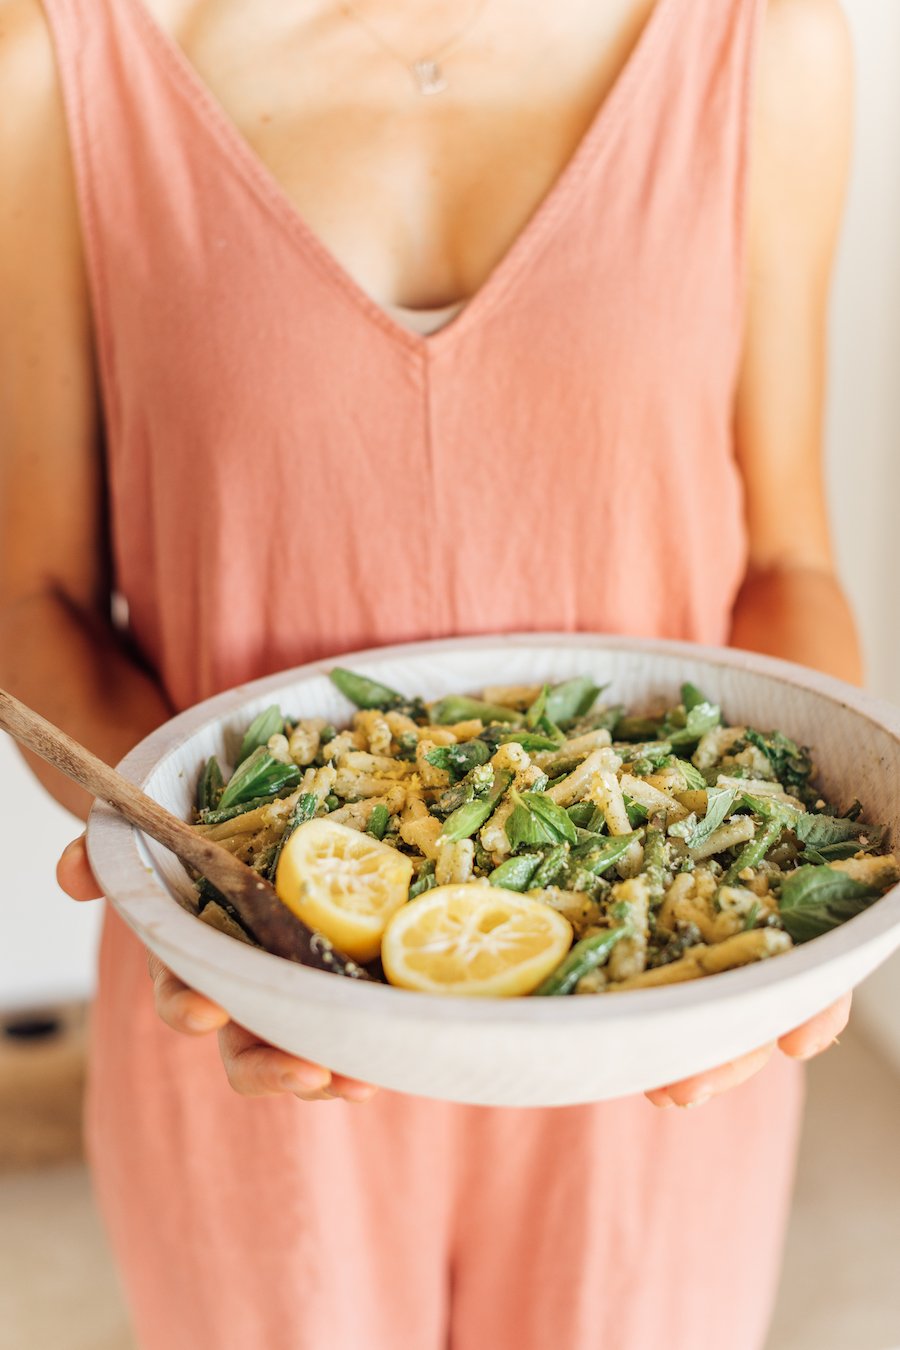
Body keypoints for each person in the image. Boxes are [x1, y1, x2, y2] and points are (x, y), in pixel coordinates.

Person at [0, 0, 859, 1345]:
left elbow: (788, 563)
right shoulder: (55, 63)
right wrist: (192, 879)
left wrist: (796, 934)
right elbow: (34, 598)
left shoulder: (766, 43)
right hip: (262, 1027)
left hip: (651, 1018)